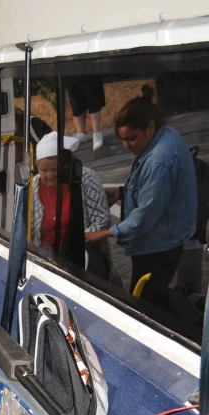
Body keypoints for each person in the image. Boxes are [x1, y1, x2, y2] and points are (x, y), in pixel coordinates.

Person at [86, 87, 197, 307]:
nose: (127, 146)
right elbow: (154, 192)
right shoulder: (166, 136)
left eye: (132, 139)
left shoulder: (159, 160)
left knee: (143, 305)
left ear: (150, 128)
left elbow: (145, 216)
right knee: (152, 298)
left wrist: (103, 233)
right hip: (165, 237)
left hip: (158, 246)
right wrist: (121, 192)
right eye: (123, 140)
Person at [29, 131, 114, 278]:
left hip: (82, 255)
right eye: (43, 170)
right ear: (36, 165)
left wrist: (79, 240)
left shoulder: (86, 178)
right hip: (46, 256)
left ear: (66, 164)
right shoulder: (34, 186)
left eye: (55, 169)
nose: (49, 175)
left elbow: (102, 220)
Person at [66, 75, 107, 151]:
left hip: (87, 65)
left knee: (92, 91)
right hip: (69, 66)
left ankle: (97, 133)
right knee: (74, 93)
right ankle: (81, 133)